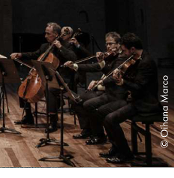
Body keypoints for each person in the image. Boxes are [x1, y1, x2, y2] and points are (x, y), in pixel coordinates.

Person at [95, 33, 161, 163]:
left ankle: (125, 154)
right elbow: (133, 79)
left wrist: (122, 82)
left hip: (145, 103)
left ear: (132, 49)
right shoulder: (135, 59)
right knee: (102, 112)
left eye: (124, 50)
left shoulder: (146, 62)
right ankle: (116, 148)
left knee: (110, 119)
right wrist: (120, 75)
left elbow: (139, 87)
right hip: (135, 99)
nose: (123, 53)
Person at [10, 22, 77, 132]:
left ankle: (53, 121)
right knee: (24, 84)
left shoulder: (66, 45)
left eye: (48, 33)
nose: (45, 36)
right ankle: (28, 116)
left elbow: (73, 57)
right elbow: (34, 54)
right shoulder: (45, 46)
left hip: (61, 79)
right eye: (45, 33)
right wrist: (20, 54)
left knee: (50, 88)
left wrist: (60, 47)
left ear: (56, 34)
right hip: (44, 77)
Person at [64, 32, 124, 141]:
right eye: (107, 44)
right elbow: (96, 67)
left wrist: (99, 82)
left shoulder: (121, 58)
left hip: (110, 91)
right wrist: (75, 66)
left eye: (111, 43)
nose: (108, 46)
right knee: (75, 100)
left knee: (88, 104)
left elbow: (112, 78)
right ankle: (87, 129)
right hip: (102, 88)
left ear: (119, 44)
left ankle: (98, 134)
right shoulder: (110, 57)